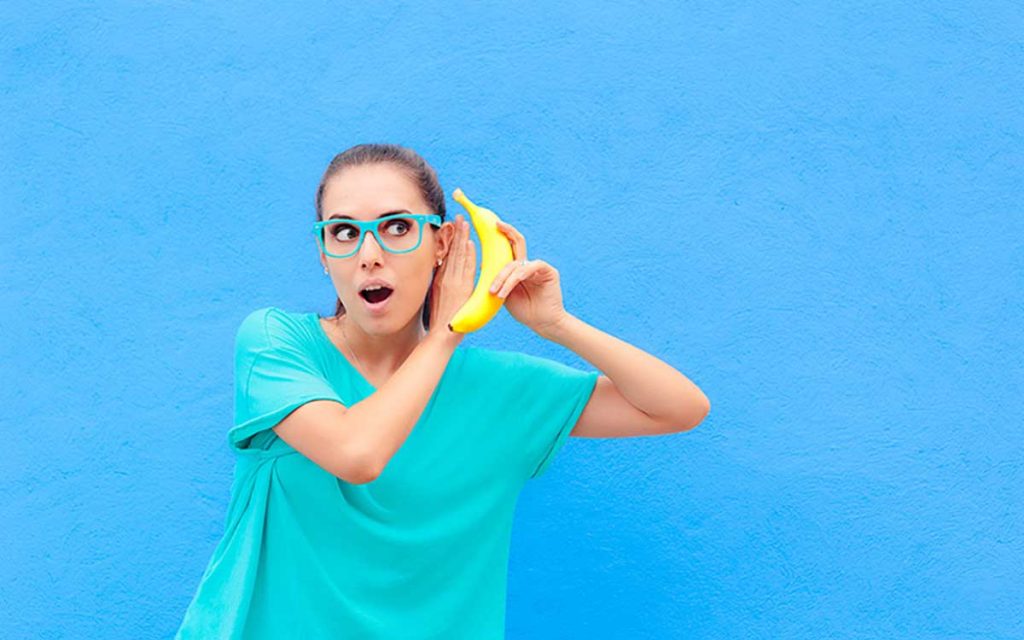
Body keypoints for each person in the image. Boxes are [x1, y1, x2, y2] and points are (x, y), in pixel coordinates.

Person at [174, 143, 710, 639]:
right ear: (322, 254)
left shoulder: (498, 390)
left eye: (398, 227)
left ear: (444, 243)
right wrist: (449, 333)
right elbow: (356, 453)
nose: (369, 254)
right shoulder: (276, 343)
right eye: (343, 232)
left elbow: (679, 408)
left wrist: (557, 325)